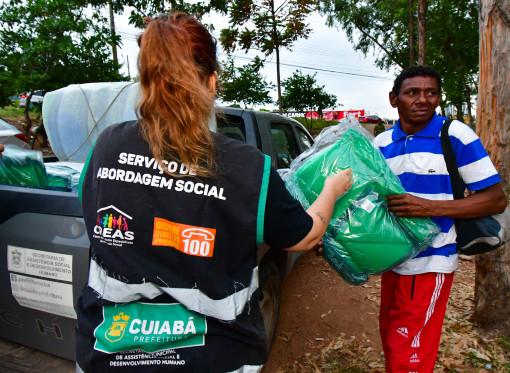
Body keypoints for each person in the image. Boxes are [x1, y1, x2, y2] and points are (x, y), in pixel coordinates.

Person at [75, 13, 352, 373]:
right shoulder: (247, 166)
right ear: (212, 80)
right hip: (215, 358)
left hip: (108, 353)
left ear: (145, 81)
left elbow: (94, 213)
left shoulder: (107, 145)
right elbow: (305, 235)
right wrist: (332, 188)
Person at [373, 65, 507, 372]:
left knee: (410, 349)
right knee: (391, 334)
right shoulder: (380, 144)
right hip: (392, 259)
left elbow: (495, 198)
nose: (423, 100)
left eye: (431, 93)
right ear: (395, 99)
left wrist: (430, 208)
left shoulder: (454, 134)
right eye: (413, 93)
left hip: (432, 260)